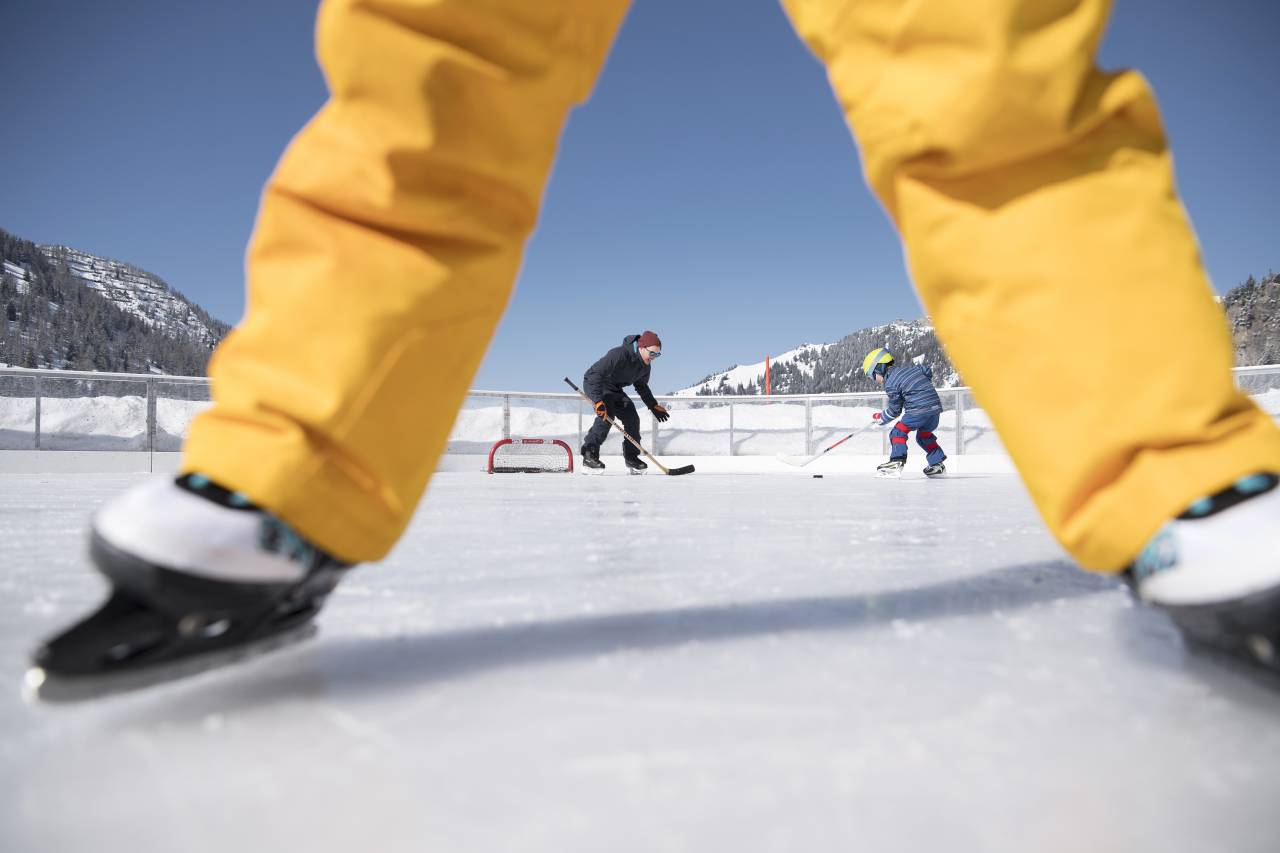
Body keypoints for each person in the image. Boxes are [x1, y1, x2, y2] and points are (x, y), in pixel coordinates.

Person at [27, 0, 1280, 698]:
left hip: (610, 398)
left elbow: (634, 386)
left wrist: (646, 418)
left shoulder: (635, 354)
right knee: (431, 63)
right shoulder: (623, 353)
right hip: (596, 396)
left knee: (978, 64)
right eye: (656, 338)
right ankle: (294, 466)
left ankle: (1172, 469)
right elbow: (617, 385)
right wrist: (639, 422)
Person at [580, 331, 670, 472]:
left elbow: (641, 386)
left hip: (615, 389)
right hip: (597, 384)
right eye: (652, 353)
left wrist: (653, 405)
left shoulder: (645, 366)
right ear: (641, 347)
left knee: (632, 418)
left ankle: (631, 457)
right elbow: (595, 375)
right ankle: (589, 454)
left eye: (657, 355)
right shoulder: (620, 354)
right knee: (607, 416)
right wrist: (597, 400)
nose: (654, 357)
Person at [862, 348, 947, 478]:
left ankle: (896, 462)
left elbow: (895, 410)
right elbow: (925, 370)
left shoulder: (891, 383)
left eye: (871, 375)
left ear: (879, 368)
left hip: (918, 410)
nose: (873, 379)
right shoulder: (911, 369)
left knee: (898, 432)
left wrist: (882, 418)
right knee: (924, 436)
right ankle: (937, 464)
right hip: (935, 410)